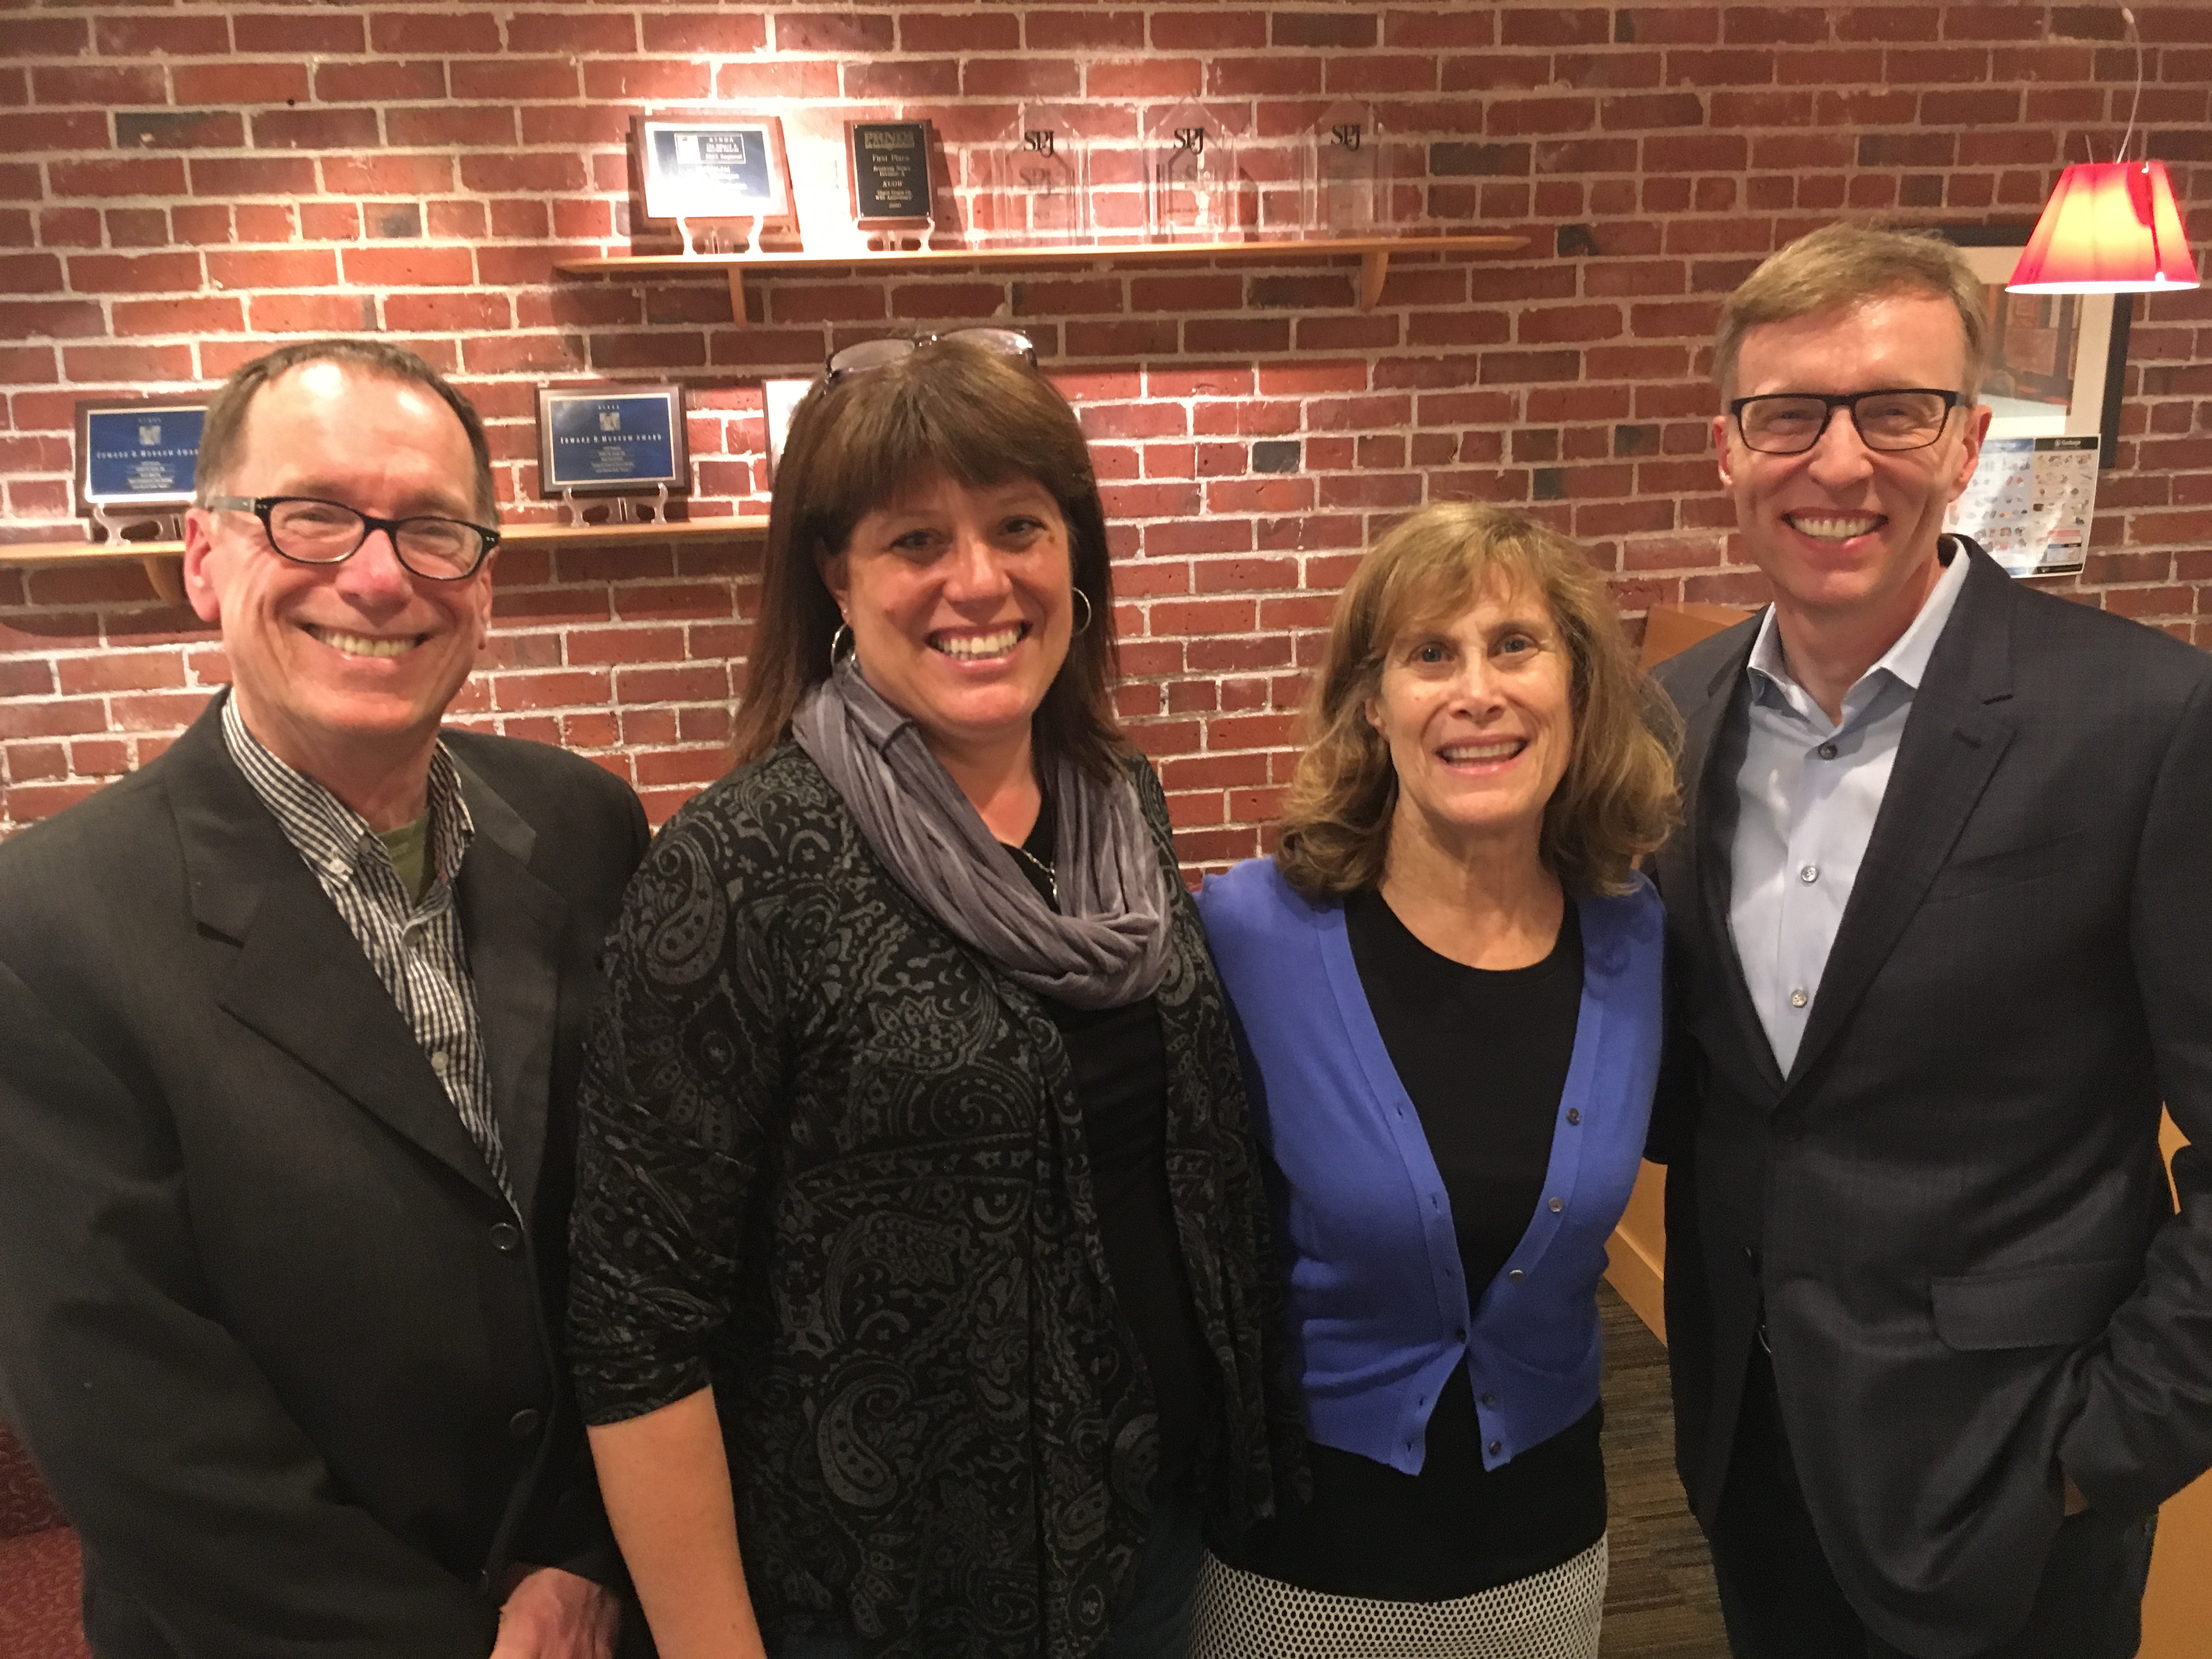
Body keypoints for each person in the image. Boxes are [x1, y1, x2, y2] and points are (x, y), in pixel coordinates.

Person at [566, 330, 1291, 1659]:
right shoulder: (739, 870)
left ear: (1076, 555)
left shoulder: (1116, 802)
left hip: (1155, 1536)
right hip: (891, 1601)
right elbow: (637, 1327)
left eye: (1019, 524)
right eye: (915, 541)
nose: (979, 582)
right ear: (836, 579)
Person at [0, 340, 650, 1659]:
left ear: (482, 579)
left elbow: (652, 1233)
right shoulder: (45, 929)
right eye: (313, 515)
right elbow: (133, 1421)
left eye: (432, 529)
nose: (376, 573)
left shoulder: (585, 829)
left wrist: (587, 1557)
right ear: (203, 558)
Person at [1649, 222, 2212, 1659]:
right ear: (1728, 447)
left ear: (1965, 443)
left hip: (2018, 1476)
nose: (1839, 464)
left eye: (1894, 409)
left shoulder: (2148, 724)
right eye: (1790, 414)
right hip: (1750, 1446)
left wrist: (2115, 1445)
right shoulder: (1667, 717)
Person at [1188, 503, 1679, 1659]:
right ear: (1373, 699)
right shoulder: (1247, 935)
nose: (1477, 692)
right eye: (1428, 654)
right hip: (1303, 1566)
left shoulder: (1635, 935)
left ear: (1577, 682)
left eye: (1515, 645)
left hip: (1546, 1550)